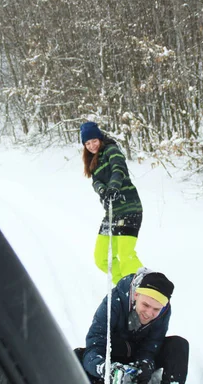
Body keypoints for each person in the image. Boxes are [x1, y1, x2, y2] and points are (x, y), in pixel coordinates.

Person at [74, 268, 189, 384]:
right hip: (112, 355)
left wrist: (146, 363)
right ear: (136, 295)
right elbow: (95, 344)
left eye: (156, 309)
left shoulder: (164, 311)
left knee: (178, 345)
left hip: (137, 355)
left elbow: (152, 345)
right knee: (77, 357)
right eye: (145, 305)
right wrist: (105, 369)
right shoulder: (114, 301)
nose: (149, 313)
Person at [81, 121, 144, 284]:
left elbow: (119, 169)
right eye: (87, 143)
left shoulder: (111, 150)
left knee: (125, 255)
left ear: (100, 138)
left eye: (94, 141)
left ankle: (143, 289)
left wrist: (114, 187)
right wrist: (103, 190)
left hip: (129, 208)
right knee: (101, 258)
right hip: (112, 212)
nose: (91, 145)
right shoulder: (93, 161)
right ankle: (125, 287)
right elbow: (96, 182)